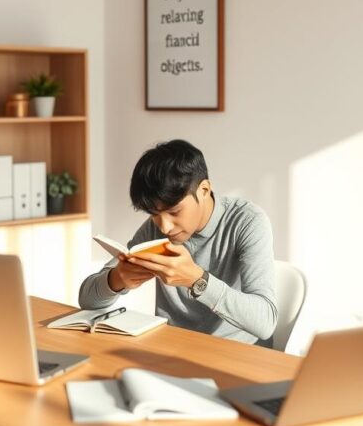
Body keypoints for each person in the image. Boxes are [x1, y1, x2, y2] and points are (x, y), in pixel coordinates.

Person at [79, 139, 277, 344]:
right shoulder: (155, 228)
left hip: (234, 355)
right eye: (154, 214)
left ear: (204, 190)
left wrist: (196, 280)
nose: (164, 227)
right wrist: (117, 278)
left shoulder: (247, 221)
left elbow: (266, 321)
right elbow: (87, 300)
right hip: (172, 349)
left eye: (174, 212)